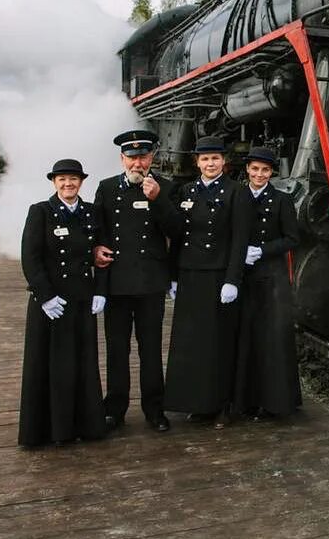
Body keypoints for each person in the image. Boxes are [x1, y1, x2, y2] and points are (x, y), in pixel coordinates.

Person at [92, 129, 179, 432]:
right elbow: (98, 232)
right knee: (117, 349)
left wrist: (156, 200)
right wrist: (94, 249)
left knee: (151, 349)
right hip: (117, 283)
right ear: (122, 158)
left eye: (142, 156)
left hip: (150, 282)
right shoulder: (105, 189)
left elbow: (177, 231)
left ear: (152, 157)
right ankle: (114, 408)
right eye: (131, 157)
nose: (137, 163)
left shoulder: (165, 187)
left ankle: (155, 409)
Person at [18, 158, 106, 447]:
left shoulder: (91, 213)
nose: (68, 184)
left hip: (81, 300)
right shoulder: (41, 212)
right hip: (51, 303)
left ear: (82, 182)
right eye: (62, 179)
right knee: (49, 366)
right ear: (54, 183)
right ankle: (49, 431)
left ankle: (86, 425)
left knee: (81, 364)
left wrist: (100, 291)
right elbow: (31, 257)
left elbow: (103, 255)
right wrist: (44, 295)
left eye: (73, 179)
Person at [163, 135, 248, 427]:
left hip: (218, 277)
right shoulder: (186, 191)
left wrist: (233, 279)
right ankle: (196, 403)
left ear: (224, 161)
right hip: (189, 275)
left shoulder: (237, 192)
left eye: (215, 158)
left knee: (219, 342)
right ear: (196, 162)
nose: (210, 163)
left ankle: (222, 404)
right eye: (204, 159)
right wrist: (172, 276)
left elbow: (240, 240)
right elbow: (177, 237)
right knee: (191, 343)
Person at [233, 145, 302, 419]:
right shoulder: (237, 196)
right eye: (255, 169)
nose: (259, 174)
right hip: (244, 275)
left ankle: (274, 401)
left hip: (271, 277)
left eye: (265, 170)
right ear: (247, 170)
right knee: (245, 337)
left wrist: (262, 250)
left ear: (271, 172)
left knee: (272, 339)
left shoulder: (282, 200)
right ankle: (245, 399)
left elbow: (293, 239)